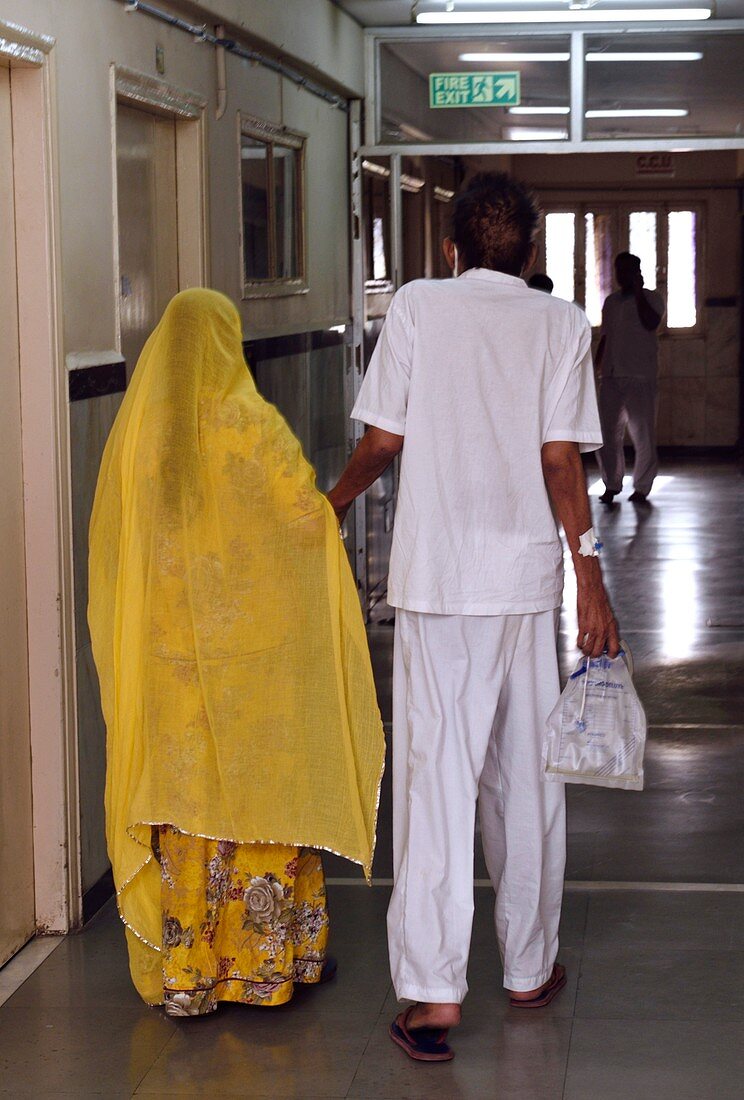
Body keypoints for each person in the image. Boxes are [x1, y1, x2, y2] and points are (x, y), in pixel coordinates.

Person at [327, 172, 618, 1063]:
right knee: (528, 778)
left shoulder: (417, 306)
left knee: (438, 781)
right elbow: (560, 460)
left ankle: (431, 997)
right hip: (526, 583)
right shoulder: (560, 321)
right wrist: (590, 575)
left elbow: (384, 440)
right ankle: (529, 966)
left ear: (451, 247)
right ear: (529, 254)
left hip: (437, 580)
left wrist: (329, 501)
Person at [89, 288, 384, 1017]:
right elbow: (302, 521)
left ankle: (193, 976)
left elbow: (119, 558)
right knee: (260, 800)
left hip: (172, 667)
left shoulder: (139, 445)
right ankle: (268, 968)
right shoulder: (245, 427)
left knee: (190, 811)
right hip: (251, 661)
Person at [595, 252, 665, 504]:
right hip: (612, 376)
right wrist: (596, 368)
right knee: (606, 434)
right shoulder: (611, 302)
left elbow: (651, 323)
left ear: (637, 271)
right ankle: (611, 484)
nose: (621, 275)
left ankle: (642, 486)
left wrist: (637, 293)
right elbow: (605, 337)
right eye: (618, 269)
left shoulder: (652, 299)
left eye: (627, 270)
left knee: (643, 434)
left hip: (640, 375)